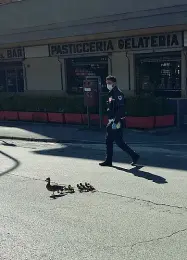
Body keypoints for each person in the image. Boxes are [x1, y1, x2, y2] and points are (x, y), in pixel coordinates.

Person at [99, 75, 140, 167]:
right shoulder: (111, 93)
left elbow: (121, 109)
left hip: (116, 121)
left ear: (114, 83)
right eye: (107, 83)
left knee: (109, 141)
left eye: (109, 83)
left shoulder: (118, 93)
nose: (108, 84)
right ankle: (134, 156)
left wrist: (115, 121)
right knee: (118, 142)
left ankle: (109, 161)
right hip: (113, 120)